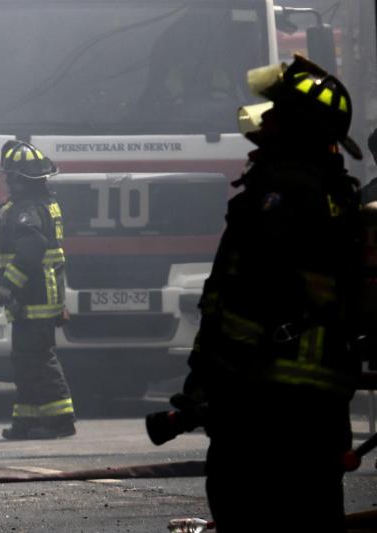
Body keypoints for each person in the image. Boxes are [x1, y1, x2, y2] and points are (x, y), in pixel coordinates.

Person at [181, 55, 364, 532]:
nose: (265, 120)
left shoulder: (278, 199)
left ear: (298, 126)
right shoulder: (330, 193)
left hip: (263, 399)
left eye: (277, 112)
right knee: (313, 512)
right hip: (316, 405)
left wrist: (208, 378)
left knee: (245, 507)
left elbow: (243, 300)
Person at [0, 141, 76, 440]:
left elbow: (32, 248)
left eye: (10, 177)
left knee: (38, 359)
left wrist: (8, 285)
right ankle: (25, 421)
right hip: (36, 298)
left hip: (34, 298)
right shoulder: (40, 206)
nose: (7, 182)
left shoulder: (28, 211)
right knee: (25, 360)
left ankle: (61, 420)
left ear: (22, 181)